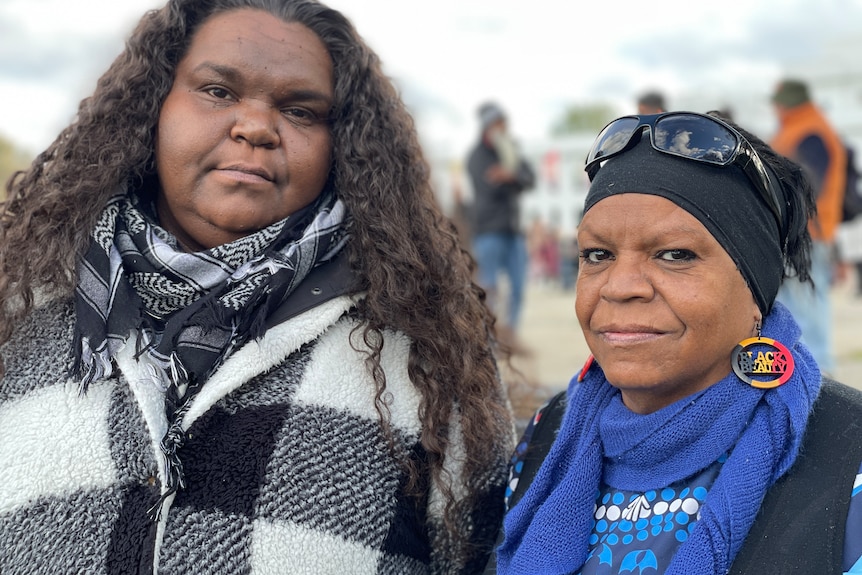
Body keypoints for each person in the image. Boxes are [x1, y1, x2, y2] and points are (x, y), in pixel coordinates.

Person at [0, 1, 513, 573]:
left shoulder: (423, 346)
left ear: (339, 144)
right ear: (154, 108)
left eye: (299, 110)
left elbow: (486, 553)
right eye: (218, 91)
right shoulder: (21, 316)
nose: (256, 127)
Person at [486, 111, 862, 574]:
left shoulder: (849, 457)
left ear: (754, 292)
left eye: (675, 255)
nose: (620, 286)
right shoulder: (550, 432)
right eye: (597, 255)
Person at [770, 78, 847, 375]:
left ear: (784, 103)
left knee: (807, 302)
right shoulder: (796, 129)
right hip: (797, 230)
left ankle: (819, 373)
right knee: (792, 303)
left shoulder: (810, 132)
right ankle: (797, 369)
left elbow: (809, 185)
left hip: (806, 233)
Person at [466, 102, 535, 339]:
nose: (504, 128)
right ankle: (490, 335)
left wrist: (509, 175)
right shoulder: (476, 157)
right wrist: (513, 177)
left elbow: (529, 178)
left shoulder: (510, 151)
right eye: (499, 123)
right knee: (489, 288)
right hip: (488, 231)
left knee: (518, 288)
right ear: (489, 126)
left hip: (513, 230)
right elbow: (490, 187)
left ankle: (511, 334)